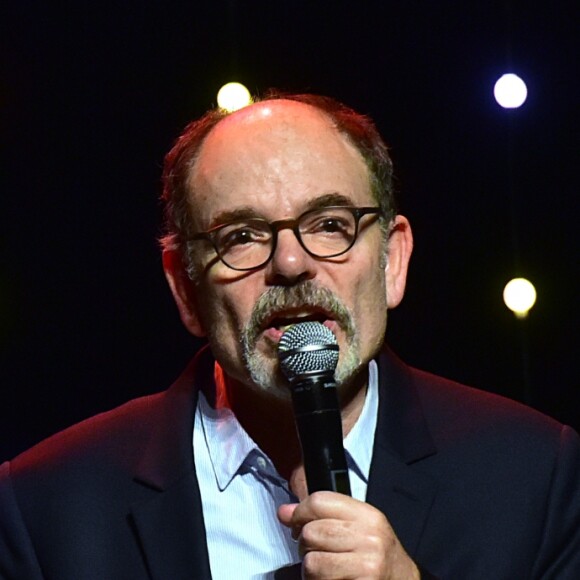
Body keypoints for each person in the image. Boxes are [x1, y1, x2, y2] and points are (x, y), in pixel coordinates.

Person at [0, 93, 579, 580]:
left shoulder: (533, 476)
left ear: (392, 262)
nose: (292, 262)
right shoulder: (47, 503)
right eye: (242, 235)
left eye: (331, 224)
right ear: (184, 286)